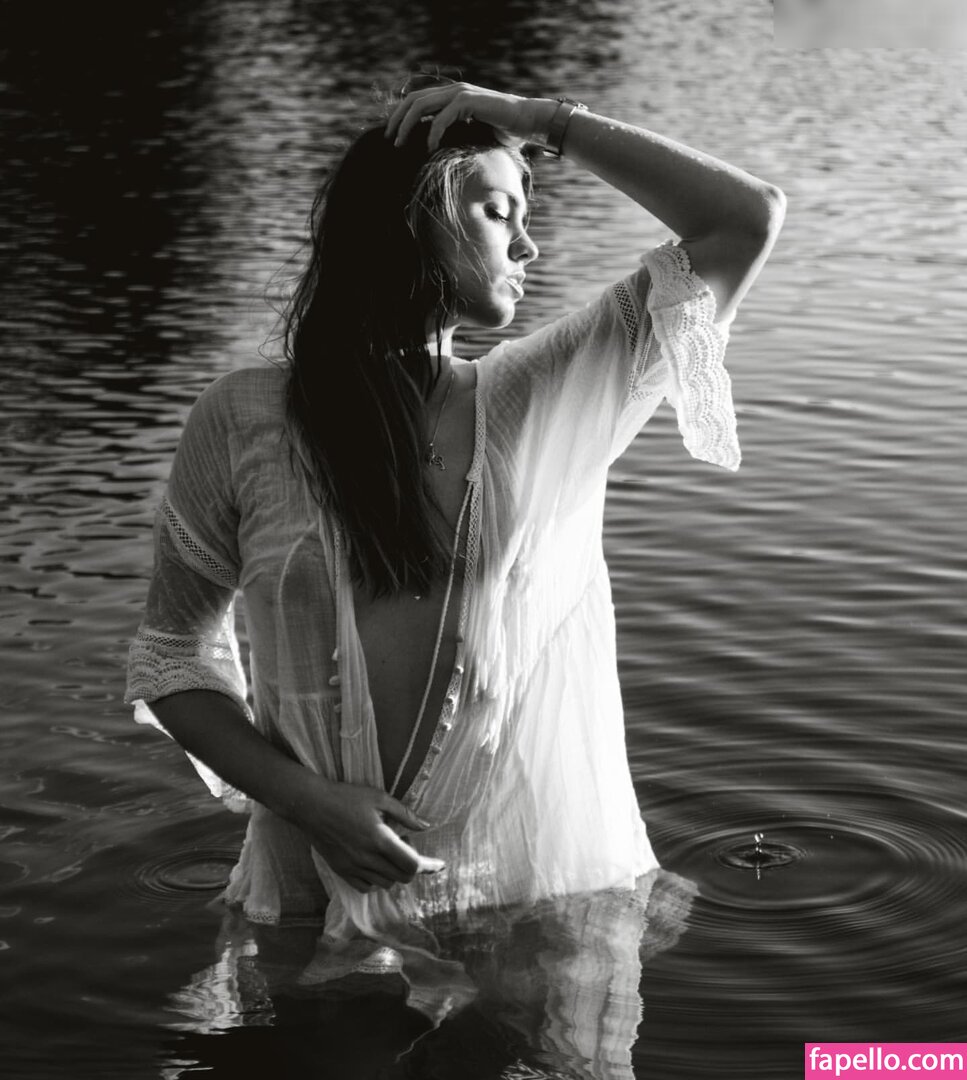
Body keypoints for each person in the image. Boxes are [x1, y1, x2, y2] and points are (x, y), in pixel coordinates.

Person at [126, 80, 784, 1028]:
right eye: (498, 211)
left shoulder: (543, 398)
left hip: (519, 903)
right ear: (412, 224)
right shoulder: (242, 420)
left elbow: (741, 220)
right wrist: (308, 801)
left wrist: (540, 119)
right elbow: (171, 656)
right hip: (311, 895)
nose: (527, 246)